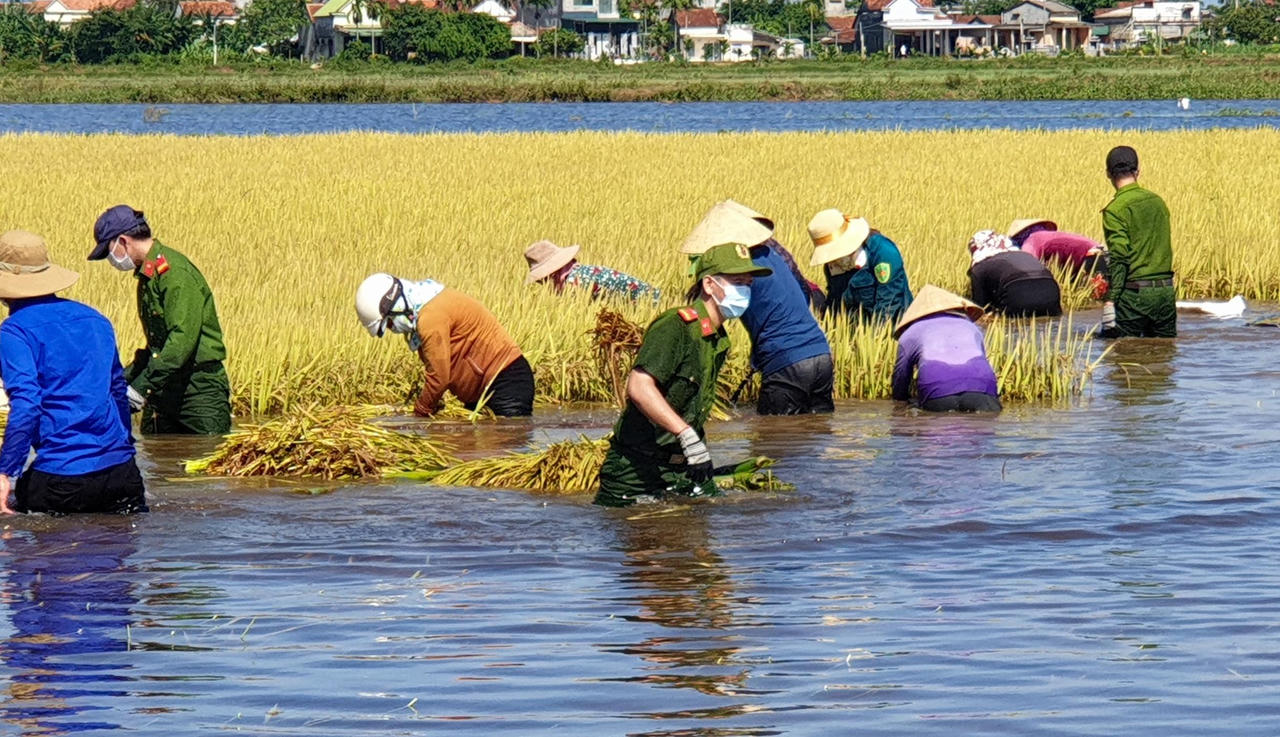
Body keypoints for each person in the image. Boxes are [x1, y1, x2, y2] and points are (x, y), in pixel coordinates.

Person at [596, 243, 772, 507]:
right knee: (645, 541)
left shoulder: (717, 338)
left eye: (748, 283)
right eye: (737, 282)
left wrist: (694, 447)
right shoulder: (676, 326)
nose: (745, 291)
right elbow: (639, 385)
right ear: (709, 285)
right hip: (636, 470)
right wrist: (685, 434)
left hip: (684, 468)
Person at [0, 230, 146, 515]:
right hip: (122, 474)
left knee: (39, 554)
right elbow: (117, 391)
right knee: (118, 555)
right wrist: (122, 448)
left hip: (62, 480)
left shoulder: (13, 331)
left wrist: (5, 472)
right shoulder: (95, 319)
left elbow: (27, 405)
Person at [681, 200, 834, 415]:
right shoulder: (774, 254)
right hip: (821, 355)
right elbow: (798, 294)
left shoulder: (738, 267)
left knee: (771, 440)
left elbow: (710, 313)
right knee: (815, 434)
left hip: (787, 361)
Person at [88, 205, 231, 435]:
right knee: (157, 459)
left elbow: (180, 342)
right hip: (162, 389)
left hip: (198, 391)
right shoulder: (147, 276)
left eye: (109, 252)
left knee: (208, 461)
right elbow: (158, 348)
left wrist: (140, 388)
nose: (111, 260)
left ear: (123, 241)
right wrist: (118, 381)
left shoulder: (175, 274)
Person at [355, 273, 533, 417]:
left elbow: (439, 377)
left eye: (390, 324)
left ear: (395, 306)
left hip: (506, 383)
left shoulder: (430, 318)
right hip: (484, 391)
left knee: (508, 445)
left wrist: (421, 411)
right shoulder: (427, 304)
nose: (393, 329)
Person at [1099, 145, 1176, 338]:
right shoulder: (1158, 202)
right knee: (1164, 356)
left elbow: (1119, 257)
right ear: (1137, 172)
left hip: (1134, 296)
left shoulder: (1115, 210)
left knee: (1120, 352)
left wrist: (1110, 299)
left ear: (1108, 174)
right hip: (1165, 293)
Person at [891, 284, 1001, 413]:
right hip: (982, 383)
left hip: (937, 386)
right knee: (983, 428)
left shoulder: (909, 334)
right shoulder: (972, 328)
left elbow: (901, 376)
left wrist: (900, 402)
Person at [807, 208, 913, 323]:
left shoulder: (883, 253)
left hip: (893, 328)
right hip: (853, 330)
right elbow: (835, 305)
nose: (832, 261)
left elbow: (888, 305)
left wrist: (873, 339)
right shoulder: (831, 266)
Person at [524, 239, 660, 303]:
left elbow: (581, 312)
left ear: (552, 273)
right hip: (646, 298)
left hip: (647, 301)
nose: (541, 283)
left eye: (541, 279)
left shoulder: (574, 282)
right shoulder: (575, 272)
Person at [966, 229, 1062, 317]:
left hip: (1017, 295)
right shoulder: (1025, 255)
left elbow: (980, 308)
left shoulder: (979, 268)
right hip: (1051, 292)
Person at [1008, 218, 1108, 276]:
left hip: (1092, 258)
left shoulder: (1032, 240)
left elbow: (1028, 263)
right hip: (1101, 252)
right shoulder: (1046, 236)